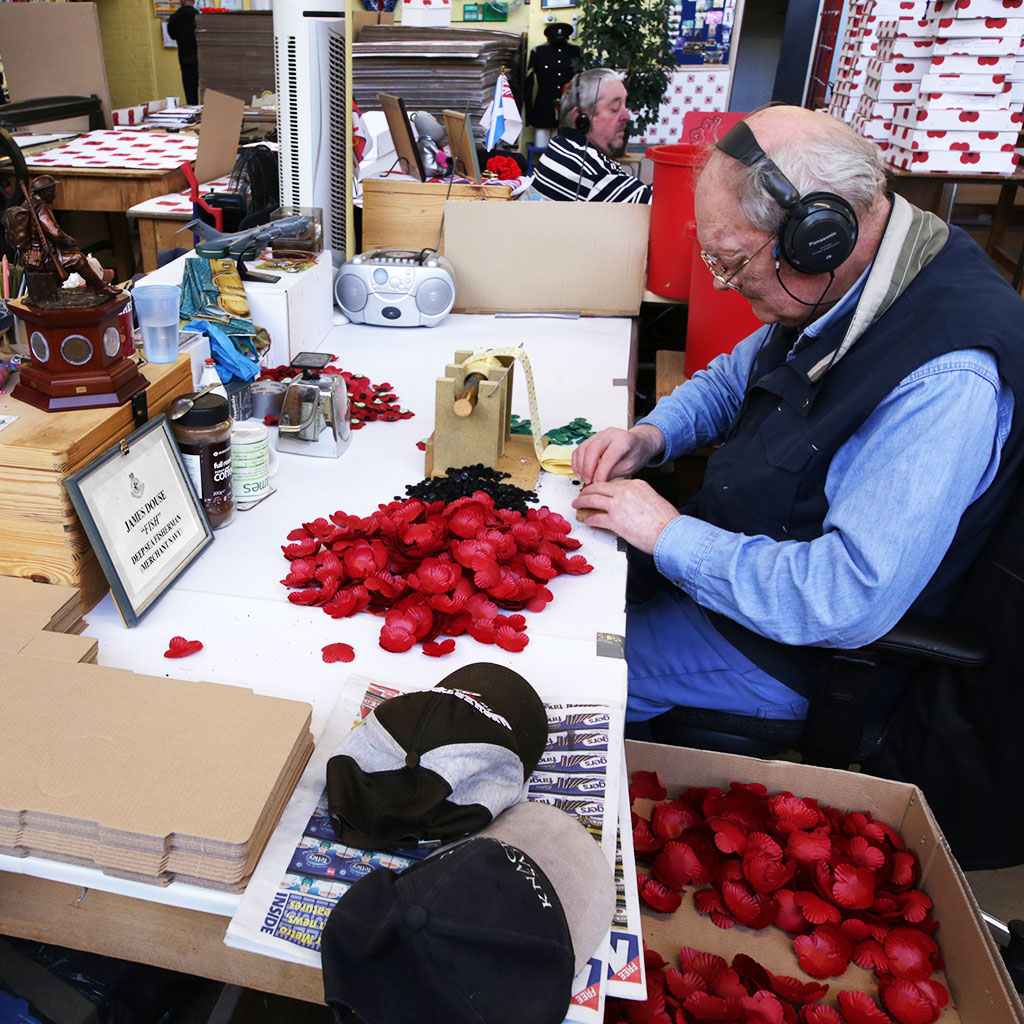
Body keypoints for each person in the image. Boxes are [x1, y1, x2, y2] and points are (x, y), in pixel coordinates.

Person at [571, 104, 1024, 727]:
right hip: (736, 576)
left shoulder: (945, 379)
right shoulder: (851, 281)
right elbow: (736, 378)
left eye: (730, 260)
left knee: (569, 683)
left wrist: (669, 535)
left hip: (791, 650)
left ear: (816, 235)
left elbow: (844, 598)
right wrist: (652, 436)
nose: (725, 284)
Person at [530, 68, 652, 204]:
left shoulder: (562, 146)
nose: (626, 116)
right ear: (581, 119)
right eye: (614, 108)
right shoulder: (588, 171)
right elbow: (663, 205)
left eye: (625, 106)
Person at [167, 0, 199, 107]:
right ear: (194, 1)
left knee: (190, 96)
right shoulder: (199, 17)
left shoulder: (174, 18)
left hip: (185, 60)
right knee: (207, 94)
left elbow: (172, 35)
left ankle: (194, 118)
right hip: (201, 60)